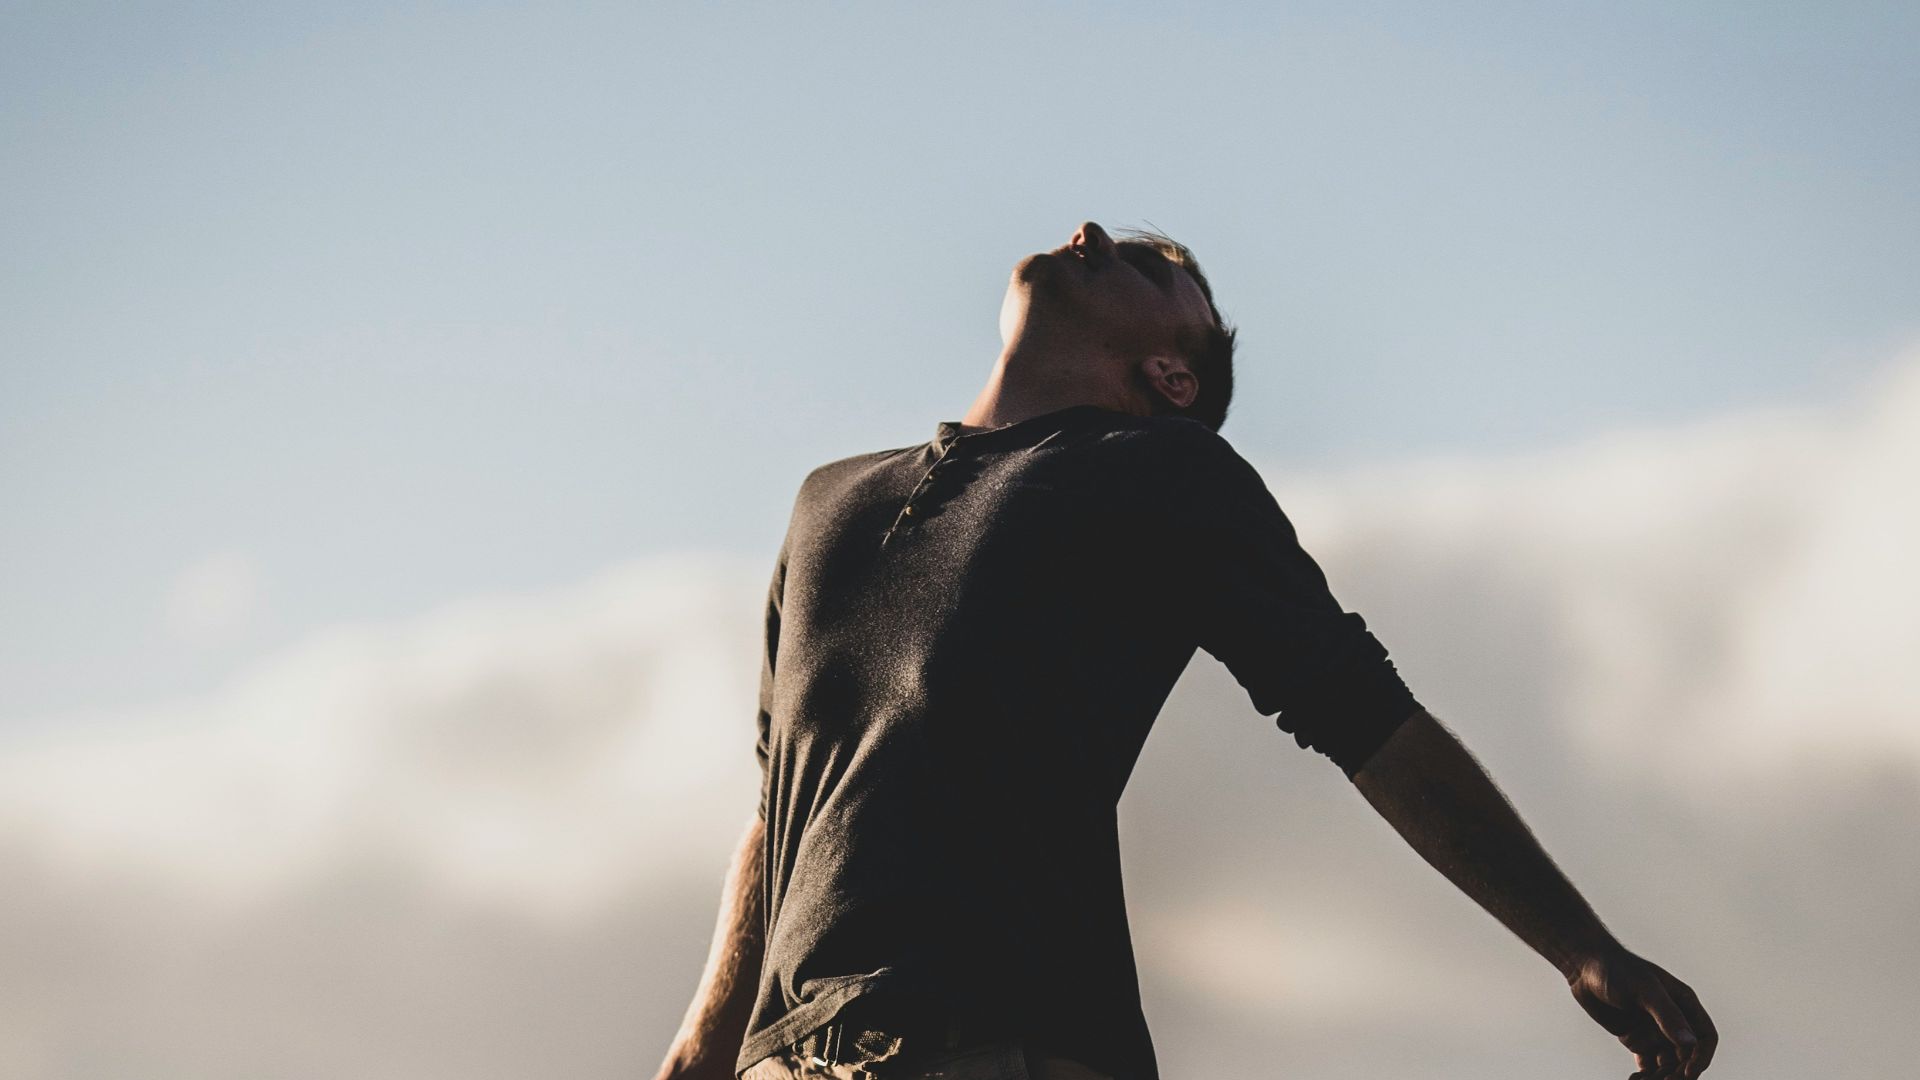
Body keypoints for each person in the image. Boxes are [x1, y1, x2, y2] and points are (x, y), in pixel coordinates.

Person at [653, 222, 1718, 1080]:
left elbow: (1366, 718)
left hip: (1000, 1039)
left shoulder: (1162, 472)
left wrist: (1582, 948)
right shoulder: (827, 500)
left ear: (1170, 374)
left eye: (1163, 271)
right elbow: (775, 806)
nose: (1091, 233)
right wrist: (699, 1048)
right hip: (785, 1061)